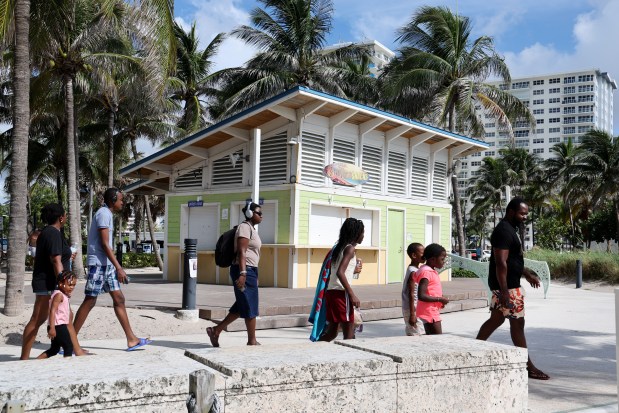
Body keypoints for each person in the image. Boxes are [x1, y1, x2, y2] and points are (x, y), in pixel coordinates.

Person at [476, 197, 550, 380]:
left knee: (496, 320)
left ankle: (474, 350)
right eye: (522, 213)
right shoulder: (503, 231)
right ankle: (528, 366)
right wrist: (505, 292)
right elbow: (501, 263)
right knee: (518, 324)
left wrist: (526, 273)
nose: (525, 217)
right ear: (511, 212)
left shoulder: (511, 230)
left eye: (526, 213)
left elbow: (511, 261)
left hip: (507, 286)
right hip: (507, 288)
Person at [73, 188, 152, 351]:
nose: (123, 202)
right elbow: (104, 244)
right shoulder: (103, 213)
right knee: (90, 300)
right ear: (113, 199)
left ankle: (132, 339)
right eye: (121, 200)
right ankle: (69, 342)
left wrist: (114, 267)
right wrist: (119, 267)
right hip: (98, 264)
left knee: (119, 299)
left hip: (106, 265)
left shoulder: (107, 214)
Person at [20, 204, 85, 359]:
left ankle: (78, 352)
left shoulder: (49, 233)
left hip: (50, 282)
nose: (66, 217)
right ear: (61, 218)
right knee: (37, 319)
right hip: (49, 284)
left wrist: (68, 257)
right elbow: (55, 260)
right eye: (65, 215)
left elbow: (57, 257)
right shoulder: (53, 233)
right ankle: (23, 359)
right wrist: (63, 284)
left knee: (67, 316)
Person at [207, 201, 263, 347]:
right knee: (250, 305)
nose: (262, 216)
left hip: (250, 270)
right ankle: (252, 341)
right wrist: (243, 274)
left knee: (241, 305)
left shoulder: (251, 229)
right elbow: (242, 251)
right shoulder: (245, 228)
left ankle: (216, 330)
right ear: (250, 214)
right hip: (243, 270)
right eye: (259, 213)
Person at [318, 217, 364, 342]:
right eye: (362, 232)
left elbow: (338, 270)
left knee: (332, 332)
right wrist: (352, 294)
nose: (363, 236)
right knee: (349, 334)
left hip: (331, 292)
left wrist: (353, 270)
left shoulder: (339, 247)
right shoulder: (350, 249)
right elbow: (340, 272)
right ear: (356, 233)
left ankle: (315, 348)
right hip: (341, 293)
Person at [37, 271, 77, 359]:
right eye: (69, 285)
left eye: (74, 285)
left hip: (58, 325)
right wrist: (52, 328)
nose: (72, 287)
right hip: (57, 326)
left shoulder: (62, 294)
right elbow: (52, 311)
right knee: (68, 346)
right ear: (60, 283)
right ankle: (67, 366)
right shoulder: (59, 295)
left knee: (54, 349)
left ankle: (37, 360)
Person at [414, 243, 450, 335]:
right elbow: (421, 295)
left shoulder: (430, 271)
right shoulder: (426, 272)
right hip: (429, 311)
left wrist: (439, 300)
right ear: (433, 259)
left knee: (431, 338)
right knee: (438, 339)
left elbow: (431, 290)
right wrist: (440, 299)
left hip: (430, 309)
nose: (444, 261)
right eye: (442, 259)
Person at [402, 243, 425, 336]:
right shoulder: (413, 272)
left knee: (413, 333)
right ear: (414, 255)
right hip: (412, 308)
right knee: (417, 334)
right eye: (422, 253)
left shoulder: (414, 268)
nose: (425, 255)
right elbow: (411, 293)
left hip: (414, 307)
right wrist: (412, 314)